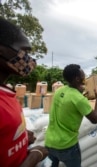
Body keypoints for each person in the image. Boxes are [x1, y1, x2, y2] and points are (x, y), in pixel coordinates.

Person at [0, 18, 48, 167]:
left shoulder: (7, 93)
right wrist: (34, 156)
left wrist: (20, 138)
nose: (30, 60)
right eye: (24, 51)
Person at [45, 64, 97, 167]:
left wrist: (82, 96)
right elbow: (95, 119)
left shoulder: (60, 90)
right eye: (83, 74)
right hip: (67, 145)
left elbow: (71, 99)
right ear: (77, 79)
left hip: (50, 142)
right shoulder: (79, 99)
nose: (84, 76)